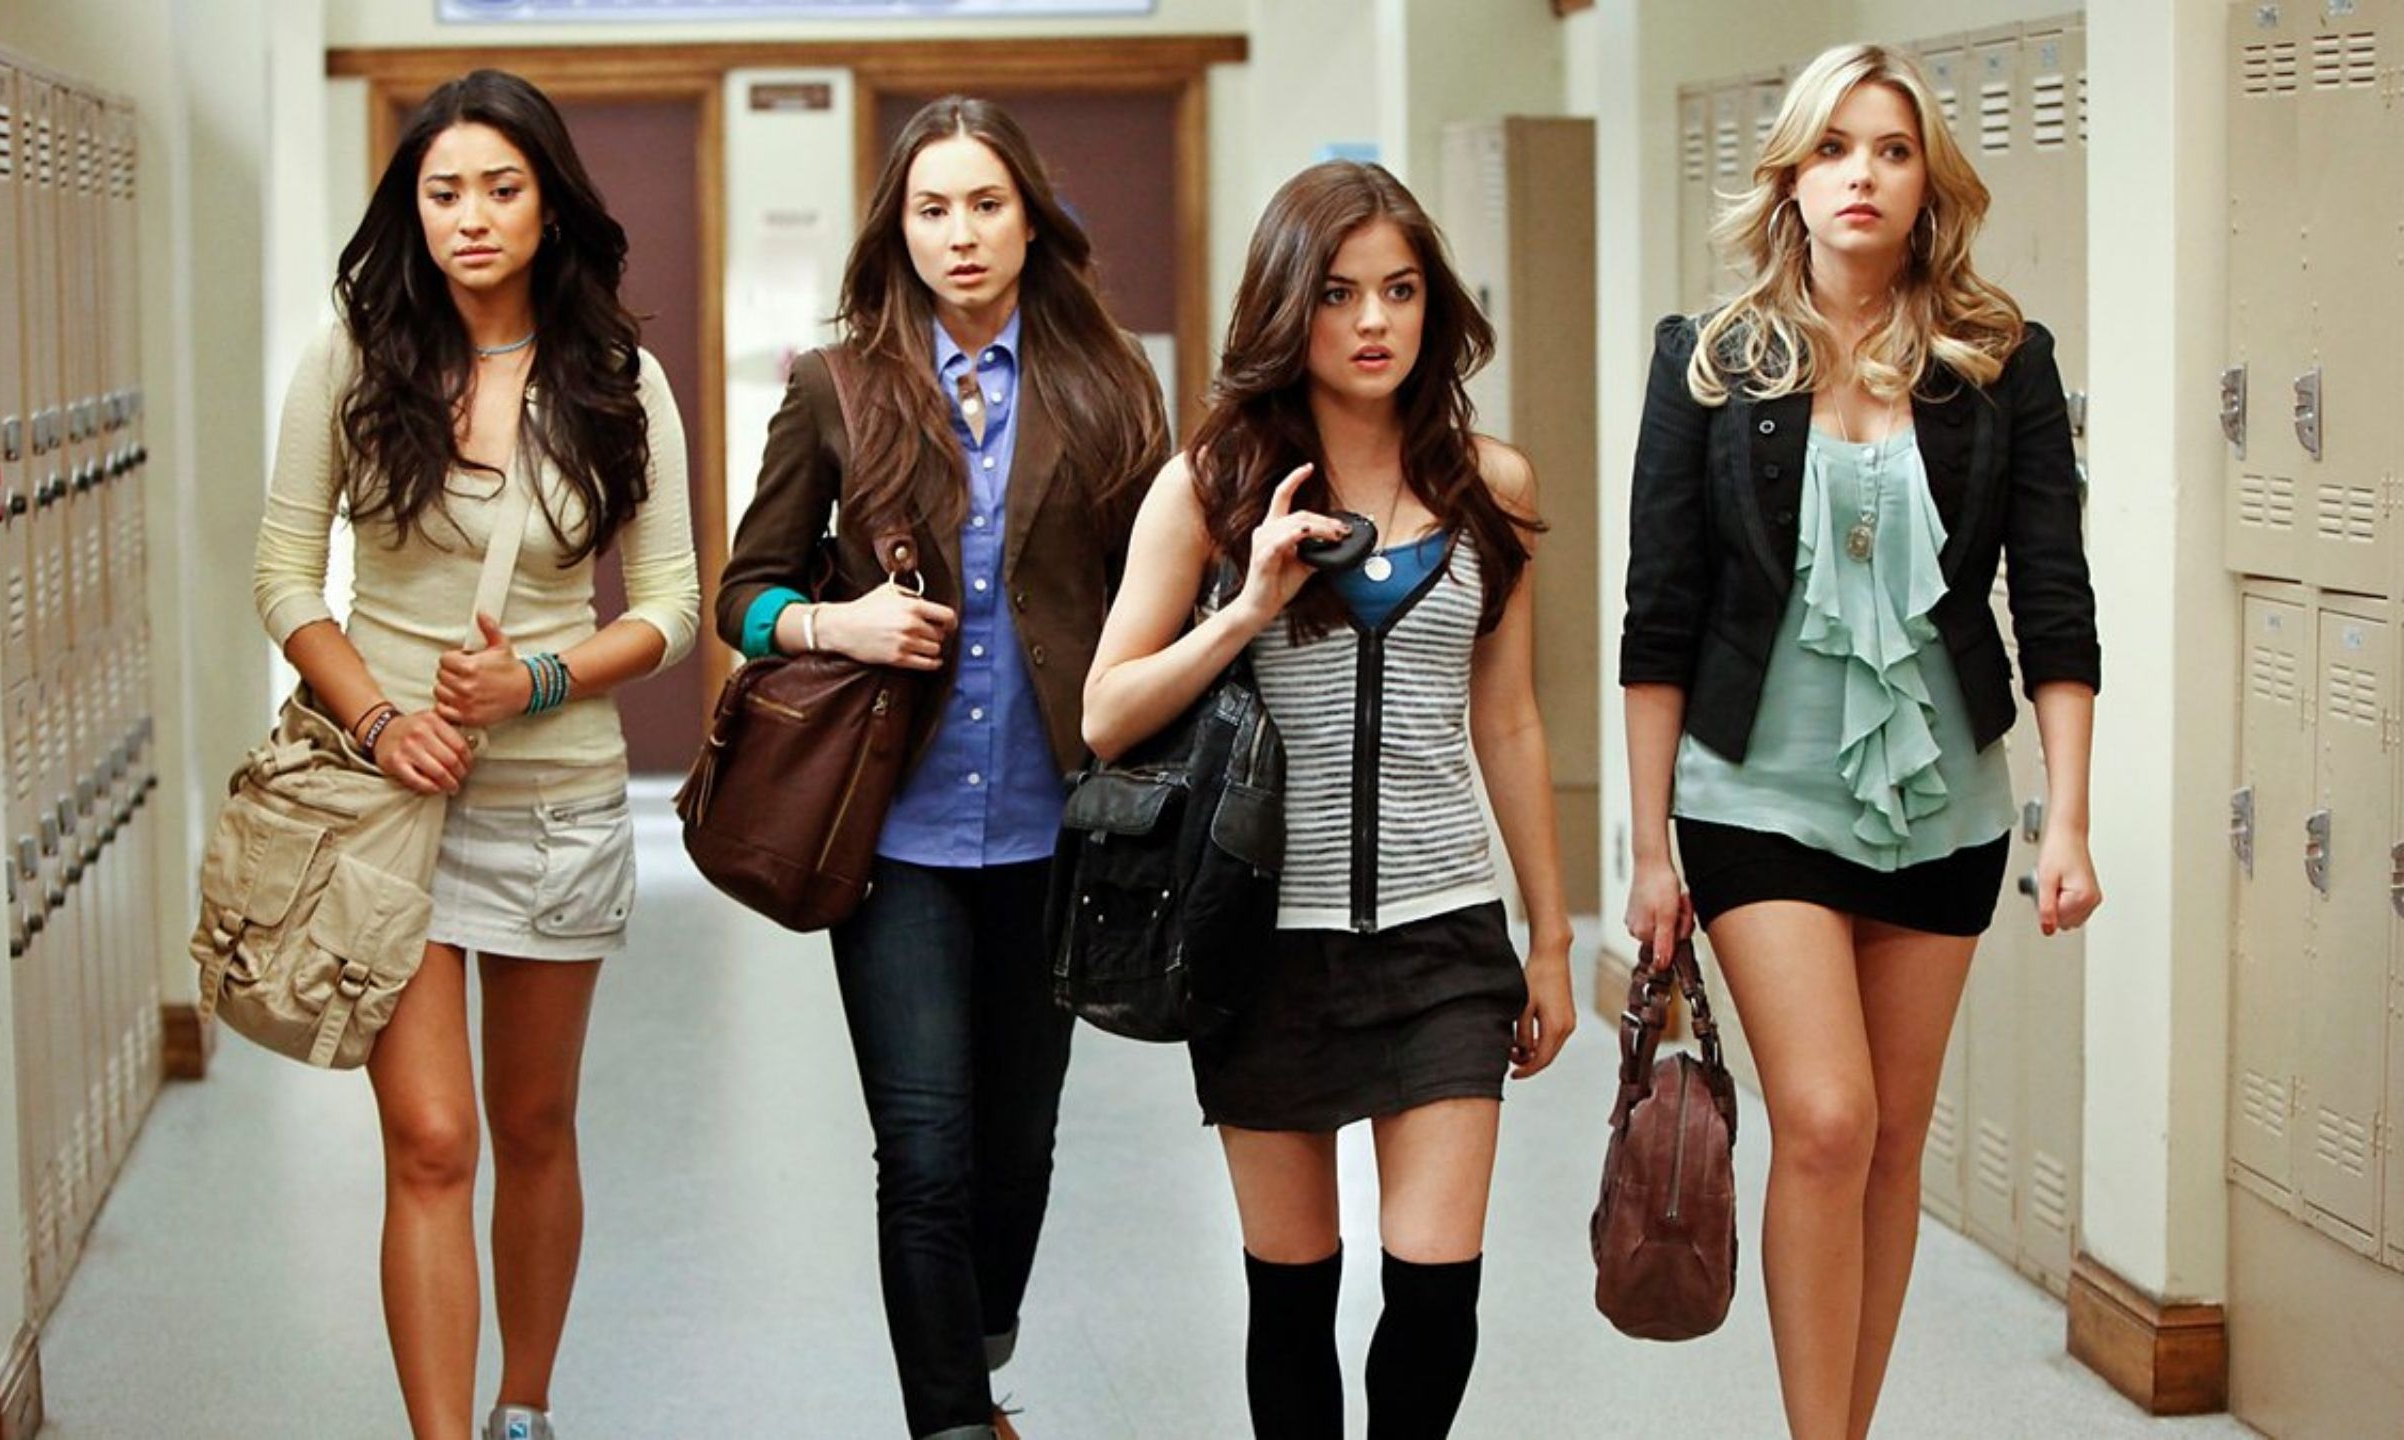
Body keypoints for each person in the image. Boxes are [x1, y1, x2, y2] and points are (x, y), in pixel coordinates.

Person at [1618, 43, 2101, 1440]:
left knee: (1890, 1145)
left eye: (1891, 150)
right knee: (1824, 1120)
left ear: (1925, 179)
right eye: (1834, 149)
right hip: (1752, 797)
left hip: (1943, 808)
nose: (1862, 176)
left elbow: (2055, 604)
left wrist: (2065, 817)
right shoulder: (1711, 361)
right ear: (1792, 174)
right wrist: (1647, 852)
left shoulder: (2001, 364)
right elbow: (1662, 619)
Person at [1081, 160, 1576, 1440]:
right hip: (1261, 944)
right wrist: (1245, 607)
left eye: (1401, 292)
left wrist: (1554, 939)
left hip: (1446, 934)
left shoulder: (1491, 487)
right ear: (1287, 308)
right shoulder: (1209, 486)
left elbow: (1508, 717)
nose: (1372, 322)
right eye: (1340, 293)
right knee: (1292, 1304)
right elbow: (1106, 710)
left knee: (1433, 1298)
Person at [250, 69, 700, 1440]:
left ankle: (525, 1408)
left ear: (551, 205)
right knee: (433, 1139)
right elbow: (284, 578)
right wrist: (382, 721)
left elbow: (676, 606)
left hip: (558, 802)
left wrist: (538, 678)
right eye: (444, 191)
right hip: (392, 810)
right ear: (414, 208)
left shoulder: (620, 376)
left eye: (501, 188)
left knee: (535, 1128)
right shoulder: (352, 356)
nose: (471, 217)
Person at [712, 96, 1170, 1440]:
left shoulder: (1106, 387)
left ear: (1030, 218)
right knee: (921, 1150)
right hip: (891, 838)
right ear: (897, 230)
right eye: (931, 209)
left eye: (984, 205)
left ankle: (976, 1347)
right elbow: (742, 596)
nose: (960, 234)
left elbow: (1162, 588)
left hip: (1060, 833)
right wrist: (833, 621)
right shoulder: (835, 387)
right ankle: (956, 1422)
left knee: (1014, 1149)